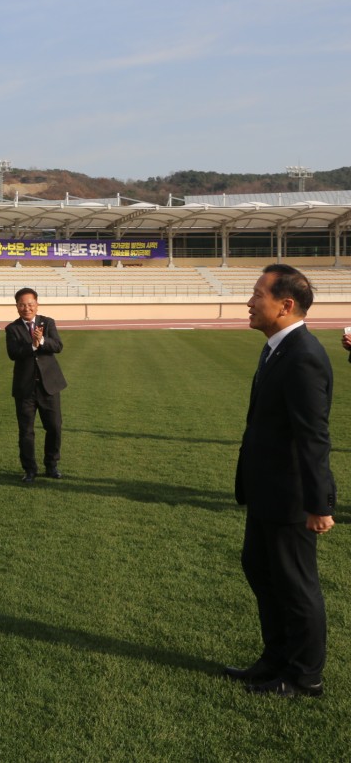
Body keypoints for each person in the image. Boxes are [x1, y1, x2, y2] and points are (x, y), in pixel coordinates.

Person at [225, 264, 336, 698]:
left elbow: (313, 437)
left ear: (285, 304)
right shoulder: (277, 348)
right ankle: (275, 659)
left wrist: (319, 504)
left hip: (291, 497)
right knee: (260, 569)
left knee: (295, 585)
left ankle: (305, 676)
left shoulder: (303, 355)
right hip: (266, 491)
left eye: (258, 295)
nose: (249, 302)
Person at [4, 287, 67, 483]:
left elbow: (58, 346)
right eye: (22, 305)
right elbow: (13, 353)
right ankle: (29, 470)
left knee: (54, 427)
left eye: (30, 304)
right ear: (17, 306)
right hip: (25, 389)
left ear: (37, 304)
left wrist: (42, 340)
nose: (27, 308)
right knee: (26, 431)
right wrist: (32, 344)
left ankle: (51, 465)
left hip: (49, 386)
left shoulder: (47, 323)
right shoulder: (12, 329)